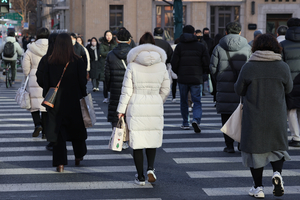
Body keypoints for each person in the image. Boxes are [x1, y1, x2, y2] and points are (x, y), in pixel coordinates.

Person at [235, 33, 293, 199]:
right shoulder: (282, 66)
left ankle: (258, 188)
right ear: (276, 47)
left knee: (255, 151)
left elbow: (238, 90)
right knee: (277, 148)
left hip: (254, 116)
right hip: (277, 115)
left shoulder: (249, 66)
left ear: (255, 48)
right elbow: (288, 89)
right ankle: (277, 174)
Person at [117, 32, 170, 185]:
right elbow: (166, 88)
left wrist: (121, 110)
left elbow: (126, 90)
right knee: (152, 138)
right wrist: (158, 100)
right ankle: (151, 169)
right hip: (154, 103)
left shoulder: (132, 65)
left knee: (137, 141)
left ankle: (140, 177)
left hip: (136, 104)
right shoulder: (161, 65)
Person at [43, 33, 88, 172]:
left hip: (55, 101)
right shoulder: (78, 61)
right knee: (77, 129)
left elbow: (43, 80)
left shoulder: (49, 61)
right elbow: (83, 82)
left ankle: (60, 163)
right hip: (74, 100)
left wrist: (47, 91)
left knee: (58, 133)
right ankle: (78, 156)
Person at [210, 22, 251, 153]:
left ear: (226, 32)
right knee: (242, 117)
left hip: (224, 86)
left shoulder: (218, 47)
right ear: (240, 32)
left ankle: (229, 146)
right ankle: (241, 144)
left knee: (226, 117)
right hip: (243, 88)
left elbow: (212, 68)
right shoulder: (248, 47)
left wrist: (219, 79)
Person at [170, 25, 210, 133]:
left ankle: (185, 122)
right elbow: (206, 62)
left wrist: (179, 72)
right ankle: (196, 120)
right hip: (196, 77)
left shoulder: (179, 46)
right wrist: (203, 73)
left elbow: (174, 63)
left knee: (183, 101)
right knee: (197, 101)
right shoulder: (200, 46)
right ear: (194, 34)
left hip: (183, 78)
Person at [105, 29, 132, 149]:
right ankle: (127, 140)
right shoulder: (133, 53)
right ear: (129, 40)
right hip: (130, 89)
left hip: (116, 88)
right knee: (129, 113)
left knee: (116, 113)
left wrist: (107, 89)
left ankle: (118, 140)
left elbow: (107, 75)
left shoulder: (110, 54)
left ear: (116, 39)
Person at [22, 27, 49, 139]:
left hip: (34, 78)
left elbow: (25, 67)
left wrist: (29, 73)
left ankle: (38, 124)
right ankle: (45, 132)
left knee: (34, 106)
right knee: (46, 106)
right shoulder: (52, 47)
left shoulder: (31, 48)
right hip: (48, 78)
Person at [36, 32, 59, 151]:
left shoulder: (46, 58)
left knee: (51, 117)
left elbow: (39, 76)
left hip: (51, 93)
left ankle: (52, 141)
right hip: (67, 94)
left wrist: (46, 87)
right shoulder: (70, 58)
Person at [280, 18, 300, 147]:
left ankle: (296, 137)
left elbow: (280, 65)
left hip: (290, 82)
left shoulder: (283, 45)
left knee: (291, 110)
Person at [99, 30, 118, 102]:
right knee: (105, 82)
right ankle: (106, 97)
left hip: (113, 64)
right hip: (104, 64)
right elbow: (102, 53)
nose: (108, 37)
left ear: (112, 36)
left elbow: (116, 51)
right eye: (107, 35)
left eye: (110, 35)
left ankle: (112, 96)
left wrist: (109, 53)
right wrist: (111, 52)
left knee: (113, 82)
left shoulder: (115, 43)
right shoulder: (102, 44)